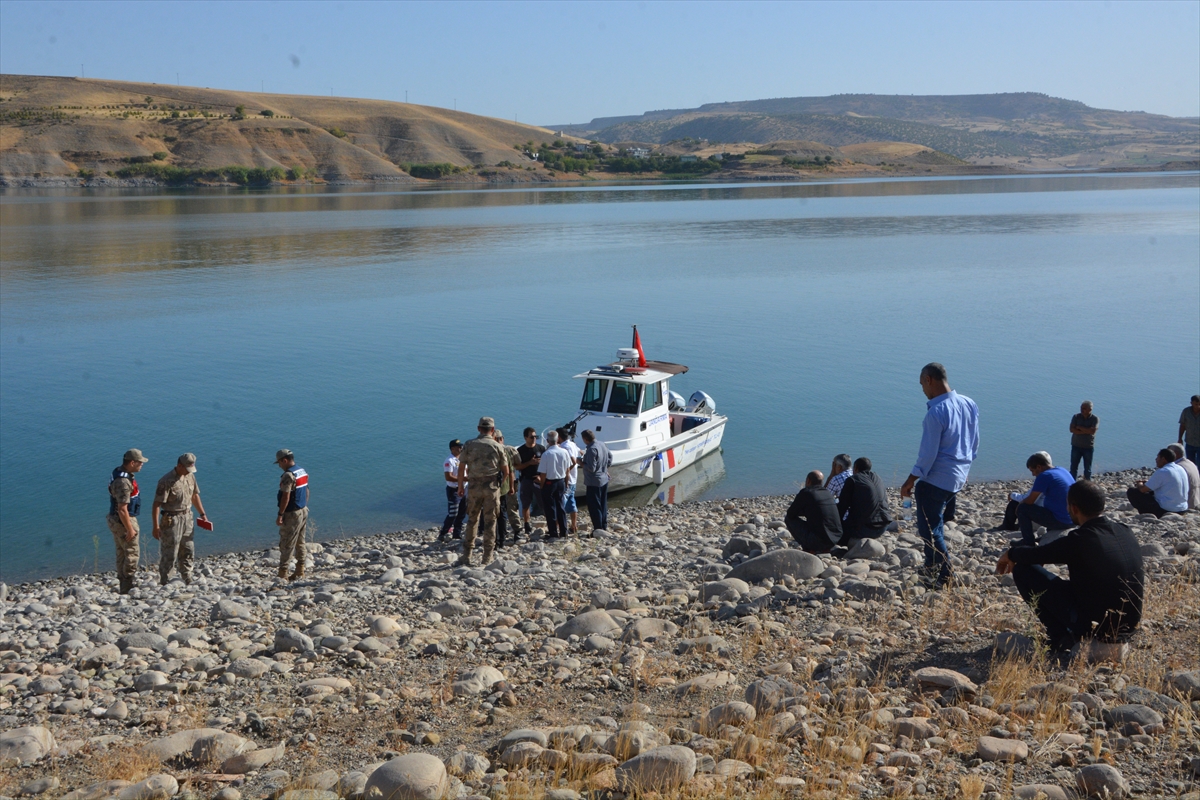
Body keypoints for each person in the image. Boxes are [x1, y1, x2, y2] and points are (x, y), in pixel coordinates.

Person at [995, 481, 1143, 655]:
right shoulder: (1125, 531)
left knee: (1023, 571)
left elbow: (1037, 555)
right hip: (1129, 626)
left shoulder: (1080, 539)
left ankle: (1060, 637)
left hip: (1096, 627)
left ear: (1074, 508)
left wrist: (1011, 553)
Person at [899, 362, 980, 589]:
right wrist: (965, 468)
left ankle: (944, 574)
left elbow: (928, 455)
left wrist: (910, 480)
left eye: (922, 384)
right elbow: (974, 443)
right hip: (959, 477)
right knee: (936, 524)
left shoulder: (936, 413)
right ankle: (930, 567)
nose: (923, 390)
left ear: (929, 380)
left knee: (930, 530)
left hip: (937, 480)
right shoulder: (969, 403)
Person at [456, 417, 510, 567]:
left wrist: (460, 486)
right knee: (490, 522)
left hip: (474, 487)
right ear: (493, 430)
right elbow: (506, 471)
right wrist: (499, 486)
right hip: (491, 488)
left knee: (472, 520)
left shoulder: (469, 444)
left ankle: (467, 555)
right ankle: (487, 557)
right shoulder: (498, 446)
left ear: (479, 428)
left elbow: (461, 468)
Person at [152, 453, 208, 586]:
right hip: (171, 519)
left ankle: (187, 576)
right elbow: (156, 505)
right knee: (170, 552)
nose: (189, 472)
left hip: (188, 517)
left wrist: (202, 514)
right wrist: (156, 526)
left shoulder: (190, 476)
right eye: (187, 469)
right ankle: (165, 580)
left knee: (188, 548)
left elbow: (194, 496)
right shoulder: (166, 481)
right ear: (179, 466)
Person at [107, 448, 148, 594]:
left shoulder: (119, 472)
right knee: (131, 553)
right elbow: (122, 509)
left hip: (115, 519)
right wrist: (130, 529)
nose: (142, 464)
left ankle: (123, 585)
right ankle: (127, 585)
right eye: (140, 462)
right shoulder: (124, 482)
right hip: (123, 520)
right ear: (132, 463)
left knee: (121, 552)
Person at [1014, 452, 1075, 546]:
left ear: (1039, 467)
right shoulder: (1062, 470)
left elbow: (1030, 500)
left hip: (1062, 521)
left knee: (1023, 509)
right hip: (1073, 518)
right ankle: (1047, 535)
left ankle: (1028, 543)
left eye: (1032, 471)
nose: (1033, 474)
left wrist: (1019, 505)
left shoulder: (1044, 475)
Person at [836, 457, 892, 544]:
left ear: (855, 468)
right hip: (883, 527)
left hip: (865, 529)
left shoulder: (853, 480)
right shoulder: (877, 478)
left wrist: (835, 525)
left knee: (834, 533)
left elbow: (842, 507)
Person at [785, 470, 843, 554]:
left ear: (808, 480)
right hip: (835, 539)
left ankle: (809, 549)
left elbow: (790, 514)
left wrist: (803, 510)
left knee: (788, 519)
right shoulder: (827, 493)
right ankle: (824, 548)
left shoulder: (806, 492)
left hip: (819, 541)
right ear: (821, 482)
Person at [275, 449, 309, 581]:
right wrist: (304, 505)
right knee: (300, 541)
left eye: (279, 463)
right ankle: (300, 570)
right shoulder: (301, 471)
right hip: (303, 510)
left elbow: (286, 496)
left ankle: (283, 573)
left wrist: (280, 514)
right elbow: (306, 490)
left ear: (284, 460)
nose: (279, 466)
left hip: (292, 513)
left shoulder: (288, 475)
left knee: (287, 543)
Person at [1127, 448, 1189, 517]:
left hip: (1167, 509)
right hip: (1183, 508)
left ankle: (1147, 514)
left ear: (1163, 459)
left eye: (1158, 457)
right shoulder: (1180, 468)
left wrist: (1139, 483)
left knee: (1132, 491)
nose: (1156, 460)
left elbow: (1142, 490)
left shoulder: (1163, 471)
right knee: (1151, 491)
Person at [537, 430, 572, 539]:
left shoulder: (546, 454)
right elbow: (567, 470)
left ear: (547, 441)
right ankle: (564, 531)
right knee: (560, 506)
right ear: (558, 439)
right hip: (561, 481)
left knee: (550, 508)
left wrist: (542, 485)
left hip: (549, 482)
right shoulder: (564, 452)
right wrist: (566, 483)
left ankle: (553, 532)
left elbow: (543, 473)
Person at [493, 430, 522, 548]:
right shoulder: (510, 449)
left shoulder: (493, 451)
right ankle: (516, 531)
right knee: (511, 508)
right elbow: (518, 464)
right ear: (502, 438)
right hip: (510, 482)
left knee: (499, 510)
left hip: (497, 485)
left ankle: (500, 534)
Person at [515, 428, 545, 538]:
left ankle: (551, 524)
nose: (534, 439)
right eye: (531, 437)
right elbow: (517, 466)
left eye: (535, 436)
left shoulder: (541, 448)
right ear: (525, 438)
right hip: (526, 480)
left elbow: (546, 464)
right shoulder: (520, 450)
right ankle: (527, 524)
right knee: (526, 503)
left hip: (538, 480)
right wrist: (530, 463)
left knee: (543, 503)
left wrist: (541, 477)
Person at [581, 429, 612, 533]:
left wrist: (580, 463)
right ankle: (603, 525)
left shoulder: (591, 449)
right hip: (604, 479)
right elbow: (610, 457)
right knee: (603, 503)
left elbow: (591, 468)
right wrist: (605, 469)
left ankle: (598, 528)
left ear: (585, 439)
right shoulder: (602, 444)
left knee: (594, 506)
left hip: (594, 482)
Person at [438, 440, 467, 543]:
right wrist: (463, 479)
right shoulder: (449, 461)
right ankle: (443, 533)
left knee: (462, 512)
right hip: (453, 490)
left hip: (464, 488)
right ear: (452, 449)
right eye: (458, 447)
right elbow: (448, 477)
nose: (461, 448)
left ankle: (457, 534)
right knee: (453, 513)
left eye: (461, 446)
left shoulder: (463, 459)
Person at [558, 427, 582, 535]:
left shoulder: (565, 447)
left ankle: (559, 528)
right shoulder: (572, 444)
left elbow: (573, 461)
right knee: (572, 503)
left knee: (561, 504)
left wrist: (565, 471)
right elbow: (581, 452)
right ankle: (573, 526)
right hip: (574, 479)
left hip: (567, 480)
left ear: (559, 437)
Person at [1069, 401, 1098, 480]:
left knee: (1087, 469)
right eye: (1081, 408)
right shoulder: (1076, 417)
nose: (1082, 410)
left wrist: (1079, 427)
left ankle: (1087, 484)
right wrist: (1086, 431)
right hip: (1076, 446)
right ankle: (1072, 484)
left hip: (1088, 447)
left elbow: (1092, 431)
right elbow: (1072, 429)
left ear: (1090, 409)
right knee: (1073, 468)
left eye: (1084, 408)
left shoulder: (1094, 419)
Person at [1166, 443, 1200, 510]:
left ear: (1176, 454)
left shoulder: (1177, 468)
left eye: (1168, 453)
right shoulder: (1190, 463)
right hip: (1196, 500)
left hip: (1186, 504)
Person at [1180, 395, 1200, 468]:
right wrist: (1180, 438)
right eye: (1196, 404)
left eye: (1199, 404)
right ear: (1191, 403)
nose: (1198, 406)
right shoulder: (1186, 411)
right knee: (1190, 464)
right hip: (1190, 442)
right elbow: (1183, 425)